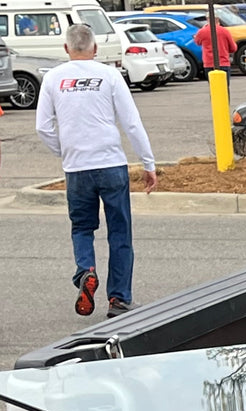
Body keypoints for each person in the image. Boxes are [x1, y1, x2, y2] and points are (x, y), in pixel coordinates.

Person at [35, 23, 157, 319]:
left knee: (82, 227)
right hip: (111, 164)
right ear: (95, 49)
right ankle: (119, 299)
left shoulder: (53, 78)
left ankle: (86, 271)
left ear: (66, 49)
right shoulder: (110, 75)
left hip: (77, 168)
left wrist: (65, 152)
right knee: (120, 232)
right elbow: (131, 123)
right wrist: (148, 163)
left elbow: (43, 127)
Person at [192, 15, 238, 81]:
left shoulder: (202, 32)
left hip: (209, 63)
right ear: (218, 20)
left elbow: (197, 42)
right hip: (223, 62)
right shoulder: (224, 31)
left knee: (214, 87)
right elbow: (233, 48)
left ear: (207, 20)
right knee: (224, 87)